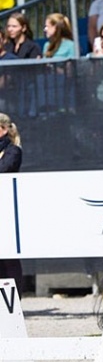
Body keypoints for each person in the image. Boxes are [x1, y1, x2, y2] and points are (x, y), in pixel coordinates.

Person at [0, 112, 23, 296]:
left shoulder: (13, 151)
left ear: (4, 129)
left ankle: (14, 298)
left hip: (5, 208)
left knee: (8, 255)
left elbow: (4, 169)